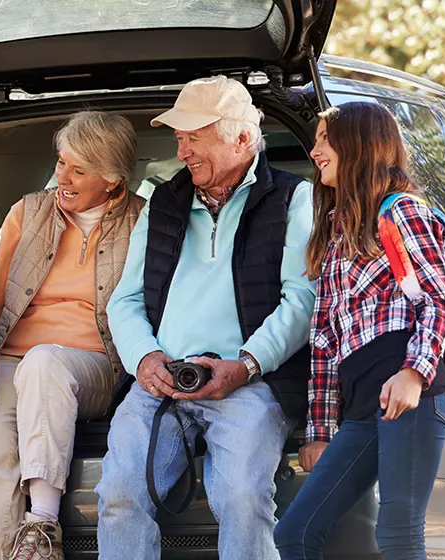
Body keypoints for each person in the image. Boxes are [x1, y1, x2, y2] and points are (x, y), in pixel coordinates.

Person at [95, 75, 316, 559]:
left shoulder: (294, 199)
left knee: (241, 499)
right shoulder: (164, 202)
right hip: (162, 378)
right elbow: (124, 300)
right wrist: (145, 358)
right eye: (179, 138)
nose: (184, 150)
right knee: (119, 496)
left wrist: (247, 365)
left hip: (250, 381)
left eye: (194, 136)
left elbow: (302, 300)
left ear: (240, 137)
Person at [274, 101, 445, 559]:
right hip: (362, 407)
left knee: (397, 535)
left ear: (358, 145)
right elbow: (324, 341)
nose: (314, 149)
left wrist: (414, 373)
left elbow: (441, 301)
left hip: (411, 396)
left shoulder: (402, 213)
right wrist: (319, 430)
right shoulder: (337, 233)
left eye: (324, 138)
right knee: (294, 533)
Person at [0, 111, 145, 560]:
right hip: (11, 358)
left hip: (96, 363)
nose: (61, 177)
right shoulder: (27, 210)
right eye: (61, 162)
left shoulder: (144, 220)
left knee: (46, 362)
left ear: (112, 179)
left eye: (78, 170)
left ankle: (42, 525)